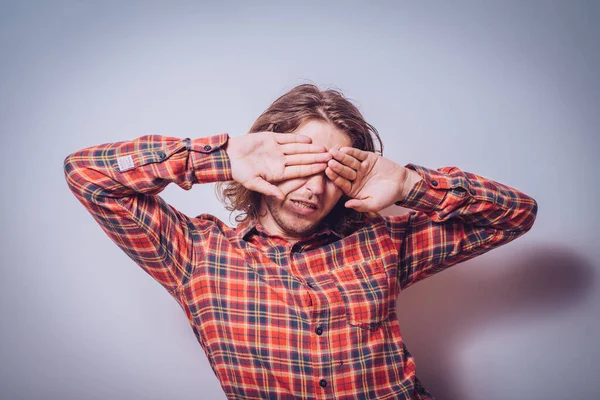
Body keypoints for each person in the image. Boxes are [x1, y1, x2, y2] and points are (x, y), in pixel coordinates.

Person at [63, 84, 537, 399]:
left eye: (332, 174)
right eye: (302, 166)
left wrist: (413, 185)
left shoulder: (383, 243)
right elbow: (87, 175)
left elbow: (516, 216)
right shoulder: (195, 254)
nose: (314, 189)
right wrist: (217, 156)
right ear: (263, 159)